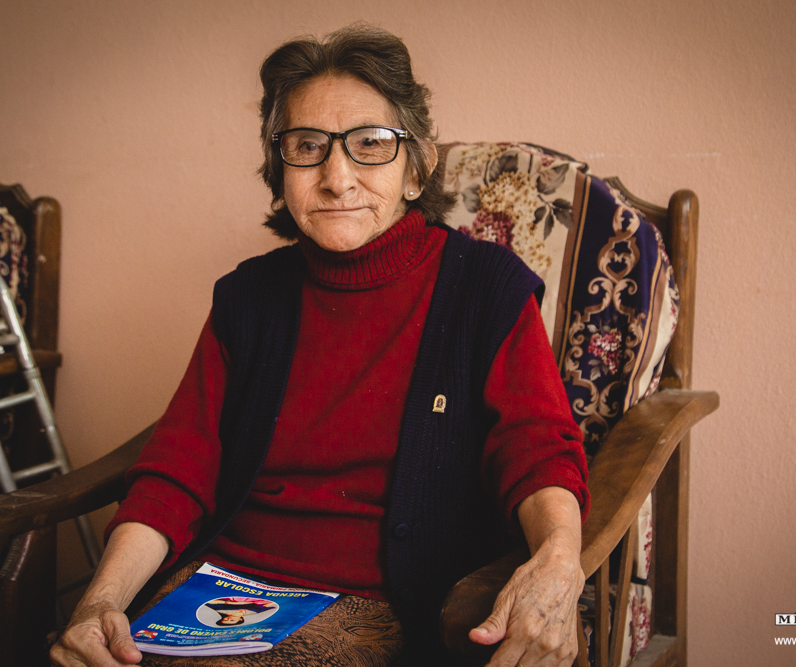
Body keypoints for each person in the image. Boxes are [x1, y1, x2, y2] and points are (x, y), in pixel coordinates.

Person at [51, 24, 589, 667]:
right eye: (307, 146)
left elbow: (535, 449)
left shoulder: (484, 289)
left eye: (370, 144)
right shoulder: (247, 299)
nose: (336, 178)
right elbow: (178, 466)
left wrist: (559, 558)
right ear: (280, 173)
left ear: (417, 168)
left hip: (393, 604)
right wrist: (98, 601)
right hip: (218, 591)